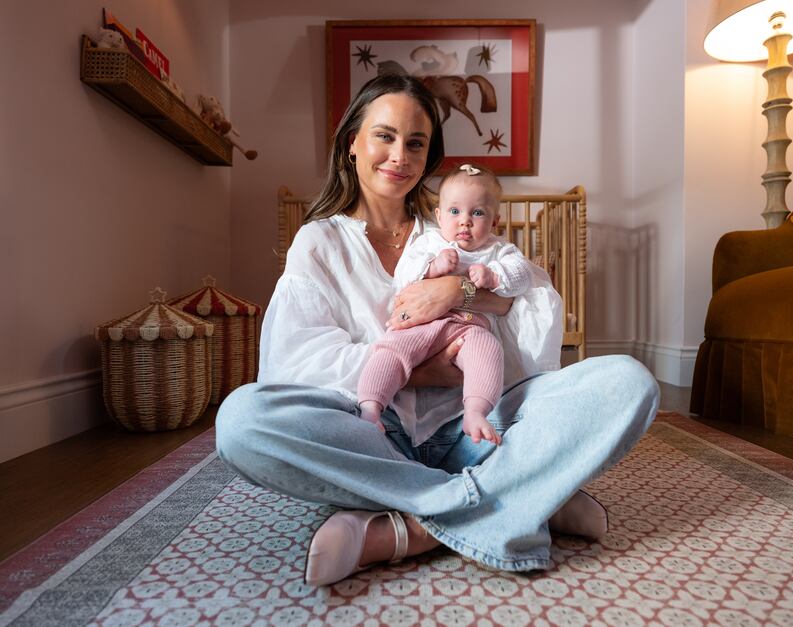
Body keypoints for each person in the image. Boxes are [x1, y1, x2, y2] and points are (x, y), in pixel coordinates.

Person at [216, 73, 659, 587]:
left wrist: (460, 292)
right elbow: (300, 360)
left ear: (429, 156)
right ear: (352, 144)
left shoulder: (454, 226)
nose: (399, 155)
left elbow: (533, 296)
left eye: (416, 142)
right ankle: (520, 497)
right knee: (243, 421)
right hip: (373, 434)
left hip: (477, 428)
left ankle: (403, 525)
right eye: (384, 136)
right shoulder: (318, 242)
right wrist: (418, 373)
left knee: (628, 382)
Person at [358, 162, 539, 446]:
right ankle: (370, 405)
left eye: (477, 213)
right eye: (455, 212)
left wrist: (494, 275)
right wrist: (432, 267)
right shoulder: (428, 243)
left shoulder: (498, 249)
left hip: (468, 327)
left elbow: (522, 275)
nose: (465, 221)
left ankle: (476, 412)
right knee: (392, 349)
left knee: (488, 349)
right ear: (440, 216)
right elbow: (404, 277)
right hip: (421, 324)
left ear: (494, 222)